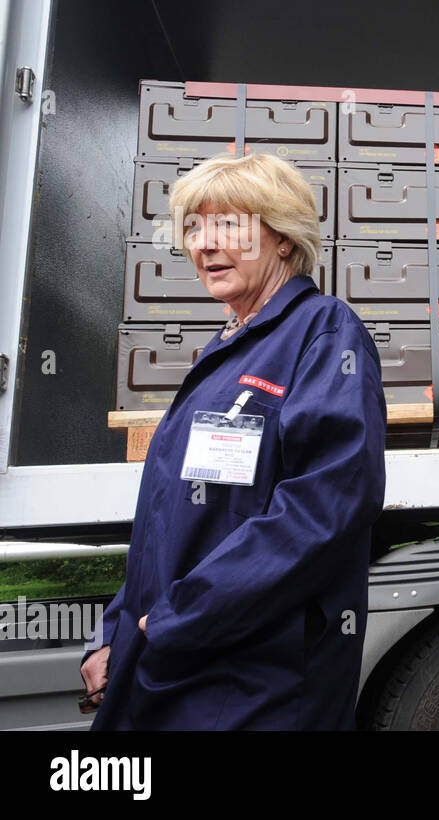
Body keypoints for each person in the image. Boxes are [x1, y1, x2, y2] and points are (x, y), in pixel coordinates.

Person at [79, 152, 387, 729]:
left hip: (255, 681)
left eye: (228, 226)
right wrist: (117, 631)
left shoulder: (324, 331)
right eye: (194, 228)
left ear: (284, 239)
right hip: (178, 657)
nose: (203, 244)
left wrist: (174, 618)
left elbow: (327, 508)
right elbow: (168, 523)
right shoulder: (223, 350)